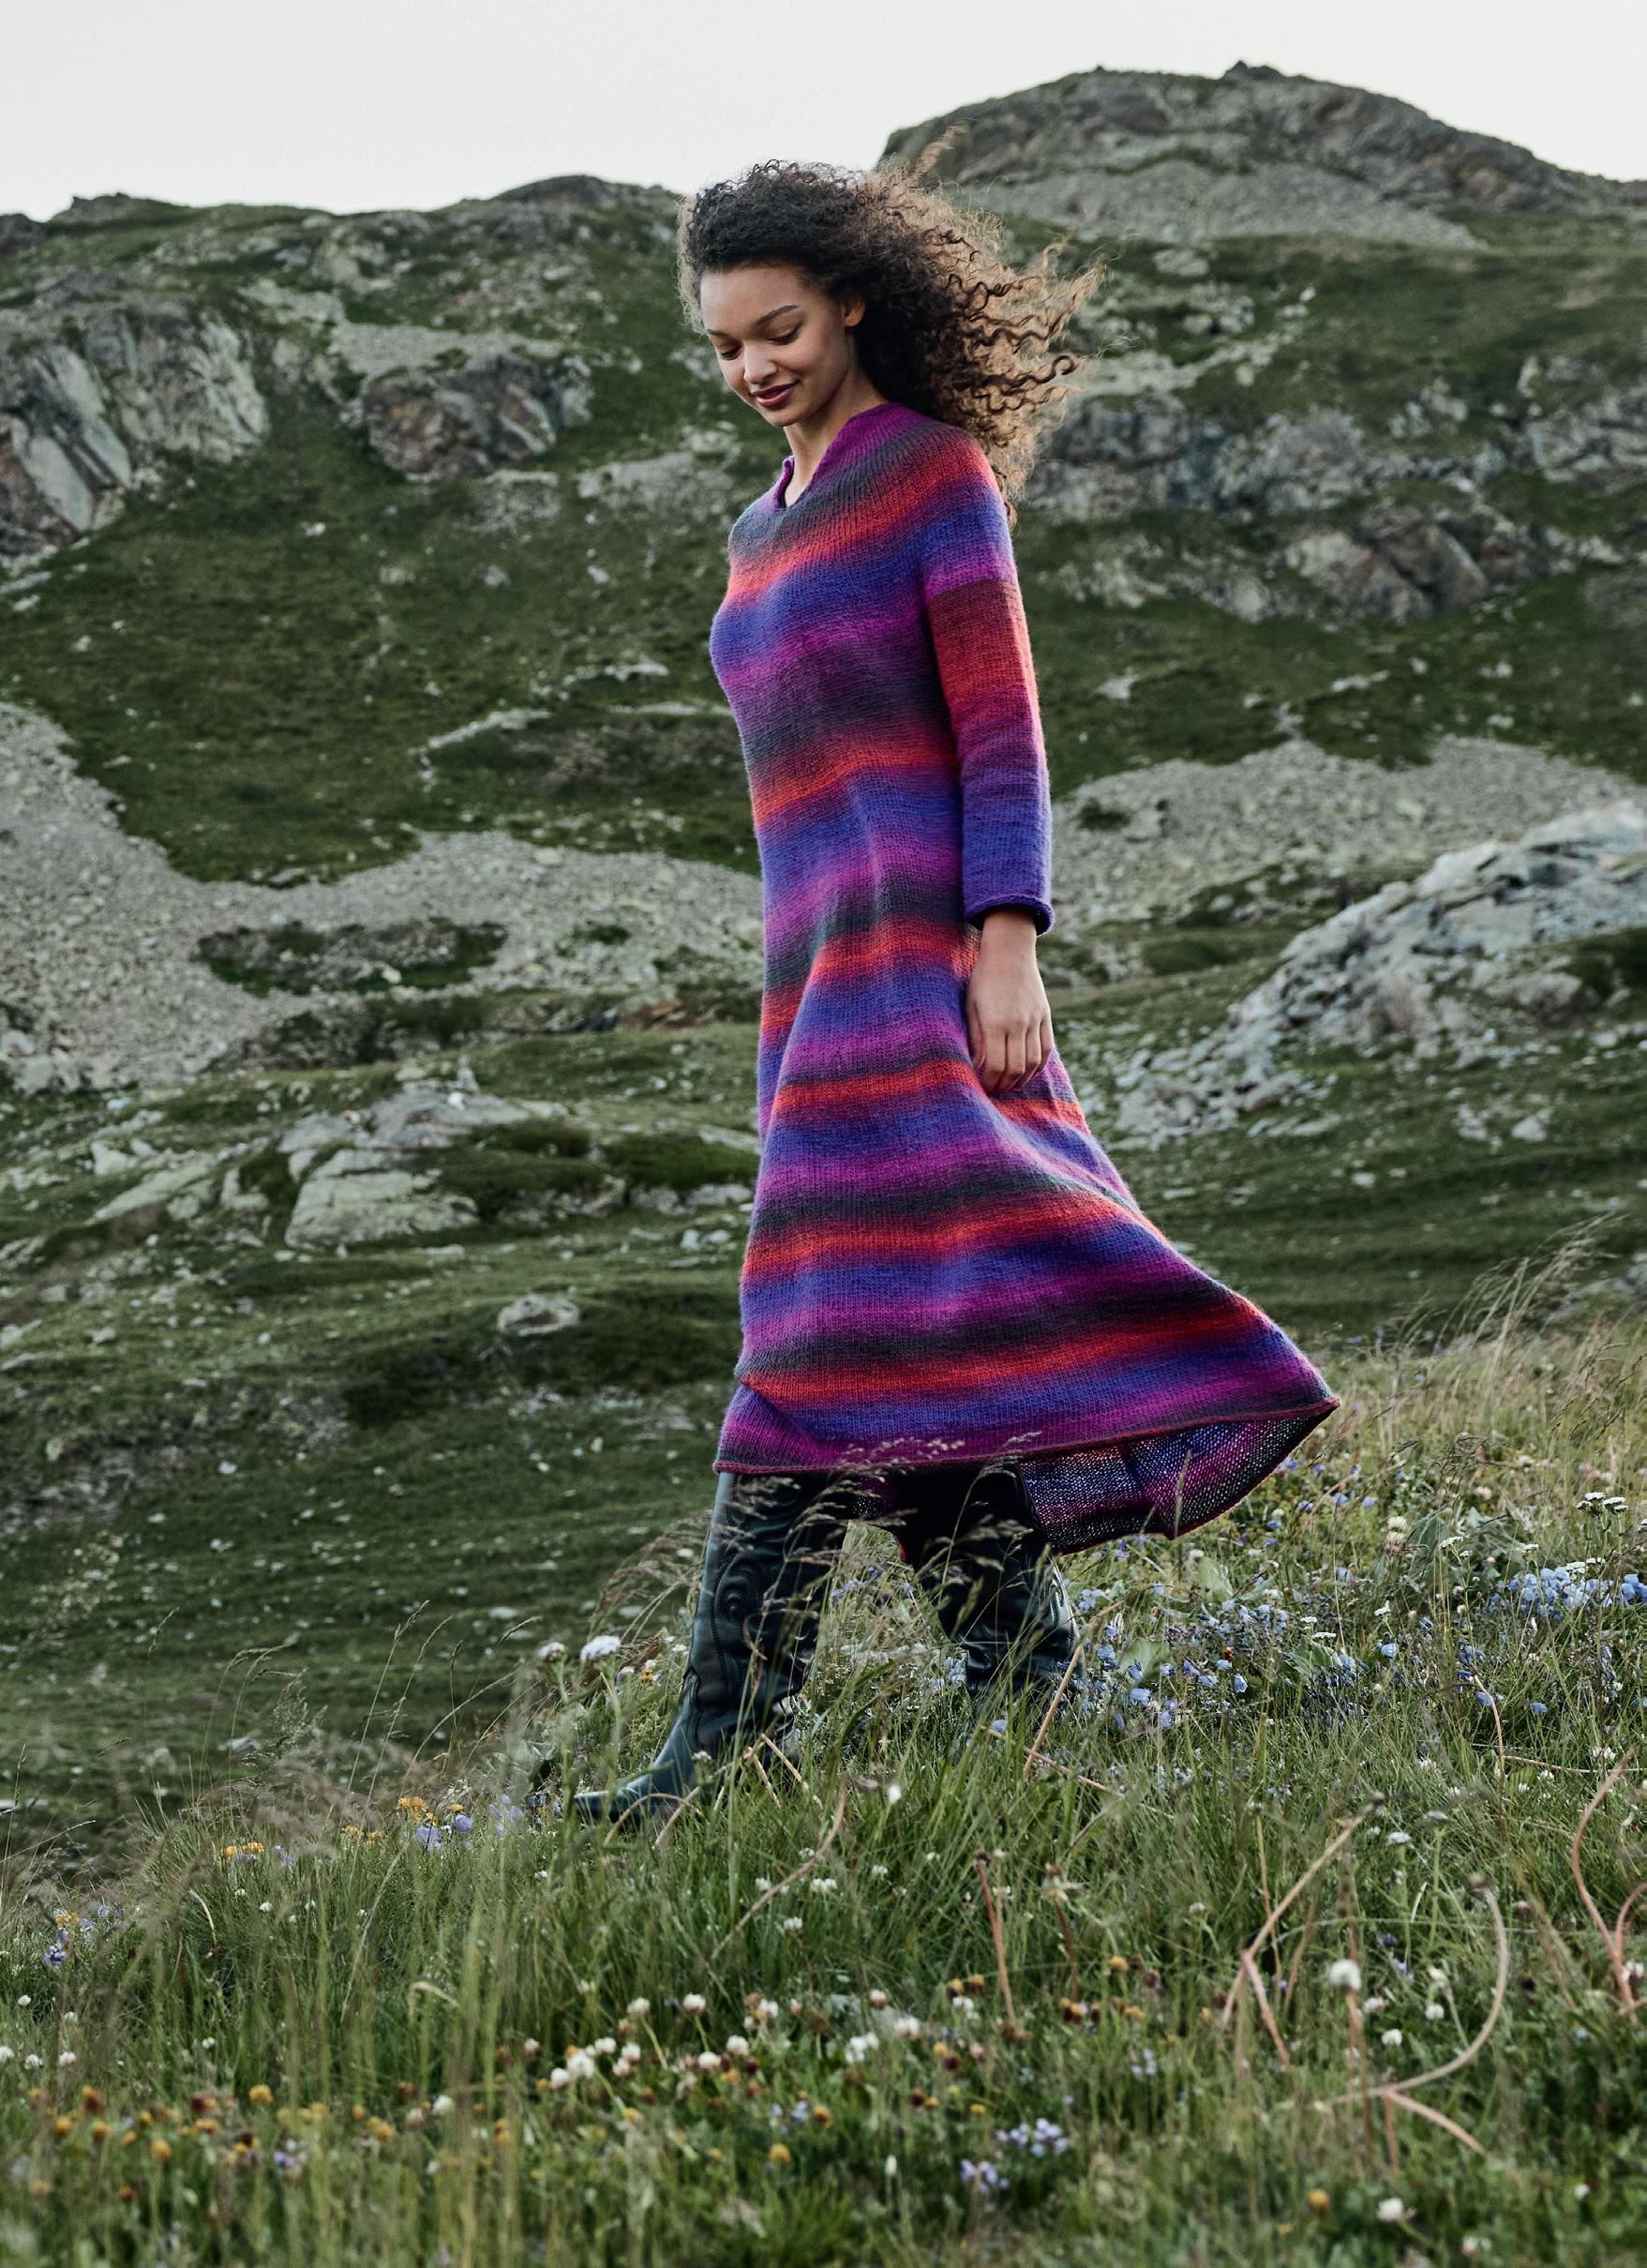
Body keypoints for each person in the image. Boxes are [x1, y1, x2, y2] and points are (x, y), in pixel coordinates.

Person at [562, 157, 1339, 1826]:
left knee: (809, 1338)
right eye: (723, 344)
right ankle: (1027, 1688)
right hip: (812, 983)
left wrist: (1005, 942)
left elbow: (1000, 730)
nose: (752, 364)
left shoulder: (931, 476)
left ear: (851, 301)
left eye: (777, 329)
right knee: (910, 1332)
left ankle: (725, 1745)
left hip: (921, 971)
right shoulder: (756, 526)